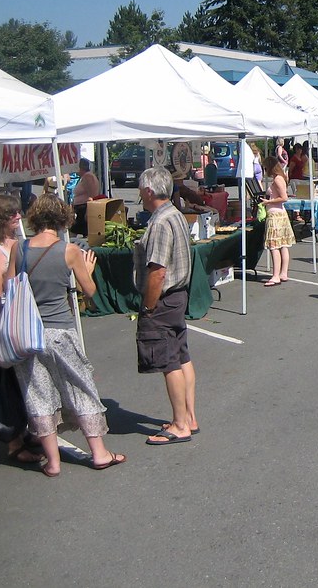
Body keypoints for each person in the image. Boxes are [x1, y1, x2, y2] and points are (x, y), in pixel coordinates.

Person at [4, 193, 125, 475]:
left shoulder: (19, 249)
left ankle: (53, 462)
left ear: (35, 217)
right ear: (62, 218)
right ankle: (99, 453)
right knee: (80, 387)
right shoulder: (68, 251)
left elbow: (10, 286)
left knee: (38, 395)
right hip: (61, 330)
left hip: (28, 333)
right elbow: (90, 291)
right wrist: (89, 270)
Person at [0, 192, 41, 464]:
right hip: (2, 320)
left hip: (18, 318)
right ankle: (13, 442)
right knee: (9, 380)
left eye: (18, 212)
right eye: (11, 214)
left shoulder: (16, 243)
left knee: (25, 377)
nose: (18, 217)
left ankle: (26, 431)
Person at [135, 166, 197, 444]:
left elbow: (158, 271)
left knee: (169, 360)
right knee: (181, 355)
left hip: (165, 298)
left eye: (141, 191)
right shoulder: (174, 214)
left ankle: (180, 424)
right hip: (178, 295)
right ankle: (188, 417)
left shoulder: (161, 222)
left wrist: (148, 307)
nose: (139, 195)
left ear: (149, 191)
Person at [260, 155, 295, 285]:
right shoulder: (279, 178)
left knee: (274, 246)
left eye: (265, 167)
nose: (265, 170)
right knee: (282, 245)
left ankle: (276, 275)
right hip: (279, 214)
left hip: (276, 216)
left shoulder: (278, 179)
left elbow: (284, 197)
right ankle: (283, 273)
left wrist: (269, 201)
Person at [70, 158, 100, 236]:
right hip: (80, 209)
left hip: (84, 209)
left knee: (75, 230)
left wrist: (88, 211)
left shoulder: (88, 176)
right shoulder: (83, 177)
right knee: (74, 230)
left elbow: (92, 195)